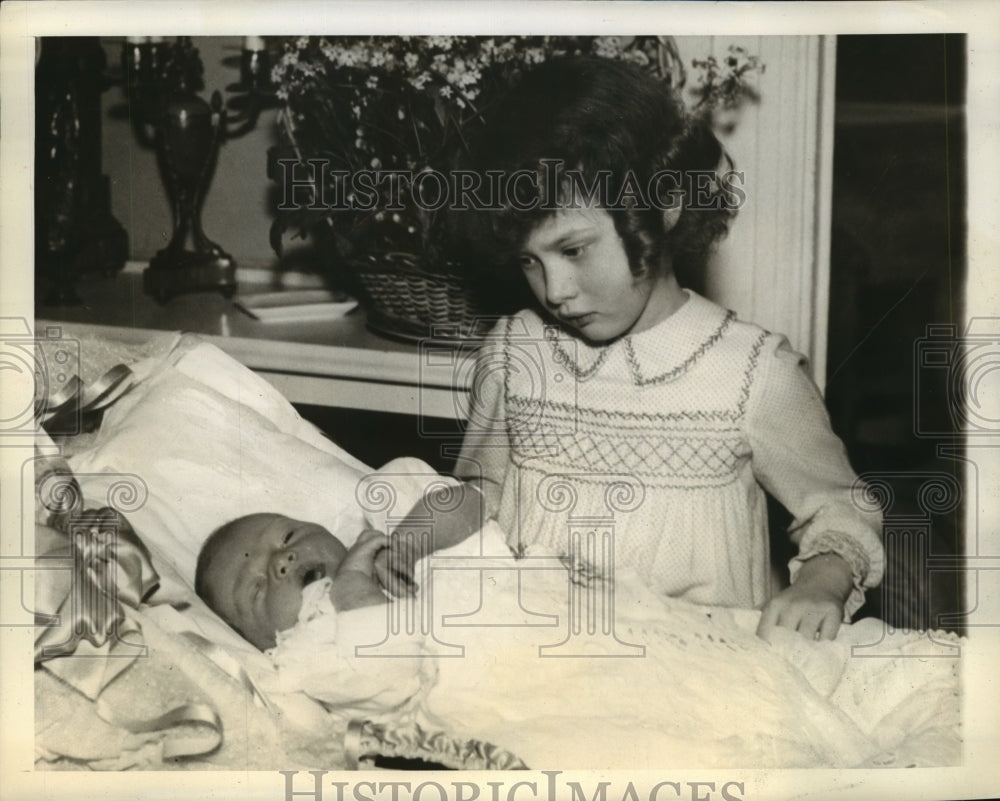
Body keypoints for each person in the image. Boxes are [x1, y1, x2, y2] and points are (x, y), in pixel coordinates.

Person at [453, 56, 885, 642]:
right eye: (530, 261)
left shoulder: (751, 373)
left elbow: (842, 509)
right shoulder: (515, 353)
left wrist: (821, 582)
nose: (555, 291)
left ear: (662, 210)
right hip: (536, 656)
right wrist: (417, 533)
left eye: (574, 250)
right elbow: (482, 491)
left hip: (694, 669)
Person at [195, 484, 484, 650]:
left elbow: (476, 500)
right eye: (256, 589)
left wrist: (407, 545)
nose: (280, 562)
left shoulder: (380, 542)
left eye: (287, 537)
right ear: (260, 644)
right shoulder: (311, 655)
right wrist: (353, 584)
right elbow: (398, 660)